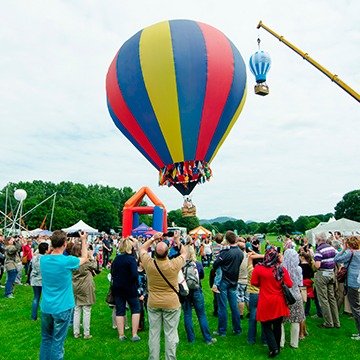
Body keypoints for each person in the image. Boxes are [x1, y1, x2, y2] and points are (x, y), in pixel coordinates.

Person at [39, 230, 88, 360]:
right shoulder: (67, 261)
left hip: (46, 307)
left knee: (46, 339)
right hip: (63, 307)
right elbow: (85, 258)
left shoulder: (43, 260)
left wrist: (51, 248)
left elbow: (49, 254)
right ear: (65, 244)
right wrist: (83, 240)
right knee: (57, 342)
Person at [139, 231, 186, 360]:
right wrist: (177, 239)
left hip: (153, 302)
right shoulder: (174, 264)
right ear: (168, 253)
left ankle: (153, 358)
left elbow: (142, 249)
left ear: (154, 253)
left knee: (153, 333)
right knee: (170, 334)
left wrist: (153, 239)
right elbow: (184, 253)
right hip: (171, 302)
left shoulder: (149, 263)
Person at [251, 247, 293, 358]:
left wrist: (263, 284)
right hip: (279, 301)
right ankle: (277, 347)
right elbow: (289, 284)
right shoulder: (281, 269)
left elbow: (254, 282)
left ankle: (273, 348)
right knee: (277, 325)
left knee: (266, 325)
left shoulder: (259, 268)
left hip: (265, 300)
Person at [182, 246, 216, 345]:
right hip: (197, 290)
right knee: (201, 315)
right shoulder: (198, 264)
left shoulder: (181, 264)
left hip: (185, 291)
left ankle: (191, 339)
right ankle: (207, 338)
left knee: (187, 314)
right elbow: (201, 276)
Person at [212, 231, 243, 337]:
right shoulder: (240, 252)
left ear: (227, 240)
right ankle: (237, 329)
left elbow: (215, 264)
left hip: (224, 281)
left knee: (222, 307)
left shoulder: (225, 252)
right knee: (234, 306)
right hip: (234, 281)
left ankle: (222, 331)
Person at [111, 237, 141, 342]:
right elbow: (134, 274)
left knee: (120, 310)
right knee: (135, 309)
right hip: (130, 288)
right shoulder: (131, 259)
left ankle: (121, 335)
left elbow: (113, 272)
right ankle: (134, 334)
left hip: (117, 287)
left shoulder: (117, 259)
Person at [334, 236, 360, 340]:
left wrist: (344, 249)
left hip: (352, 282)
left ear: (349, 244)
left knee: (356, 308)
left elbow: (336, 259)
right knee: (356, 307)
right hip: (357, 280)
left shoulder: (351, 253)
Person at [313, 232, 340, 329]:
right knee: (331, 298)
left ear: (318, 240)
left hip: (323, 274)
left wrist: (313, 260)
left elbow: (317, 266)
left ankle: (328, 322)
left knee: (324, 299)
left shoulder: (319, 250)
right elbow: (338, 258)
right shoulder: (331, 247)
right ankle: (336, 321)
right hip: (331, 274)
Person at [71, 243, 97, 339]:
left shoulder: (72, 261)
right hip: (86, 287)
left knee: (77, 309)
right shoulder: (85, 262)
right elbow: (96, 266)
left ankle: (76, 332)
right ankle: (86, 333)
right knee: (86, 309)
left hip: (75, 286)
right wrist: (91, 256)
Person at [280, 249, 305, 349]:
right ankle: (294, 343)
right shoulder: (298, 269)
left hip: (284, 295)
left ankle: (281, 341)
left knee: (281, 320)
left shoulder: (281, 268)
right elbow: (300, 283)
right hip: (296, 295)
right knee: (295, 319)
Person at [30, 242, 49, 320]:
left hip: (34, 279)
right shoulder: (46, 259)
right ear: (46, 250)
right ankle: (45, 316)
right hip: (43, 280)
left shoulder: (34, 257)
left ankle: (33, 317)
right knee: (44, 298)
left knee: (36, 298)